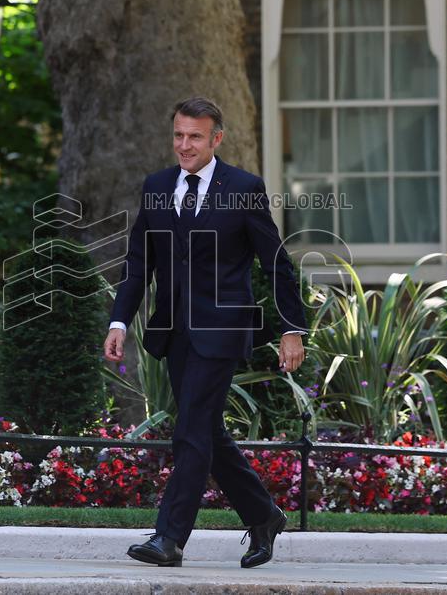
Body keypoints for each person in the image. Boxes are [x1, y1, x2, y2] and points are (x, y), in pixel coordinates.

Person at [103, 96, 307, 569]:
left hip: (221, 328)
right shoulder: (156, 187)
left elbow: (276, 262)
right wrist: (119, 321)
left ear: (217, 138)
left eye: (195, 136)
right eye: (178, 135)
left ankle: (169, 538)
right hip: (174, 331)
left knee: (192, 427)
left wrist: (292, 328)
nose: (184, 145)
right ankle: (264, 515)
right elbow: (139, 263)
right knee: (205, 431)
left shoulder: (244, 187)